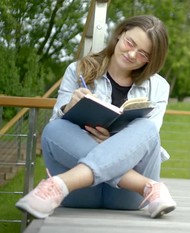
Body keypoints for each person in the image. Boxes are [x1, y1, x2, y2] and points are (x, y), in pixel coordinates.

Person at [15, 15, 176, 219]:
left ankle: (61, 184)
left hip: (127, 197)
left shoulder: (159, 86)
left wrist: (112, 142)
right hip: (82, 194)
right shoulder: (77, 70)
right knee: (53, 129)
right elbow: (57, 132)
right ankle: (150, 187)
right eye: (130, 43)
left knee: (147, 128)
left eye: (143, 54)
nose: (132, 54)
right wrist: (69, 106)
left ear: (151, 60)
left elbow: (147, 139)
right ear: (119, 34)